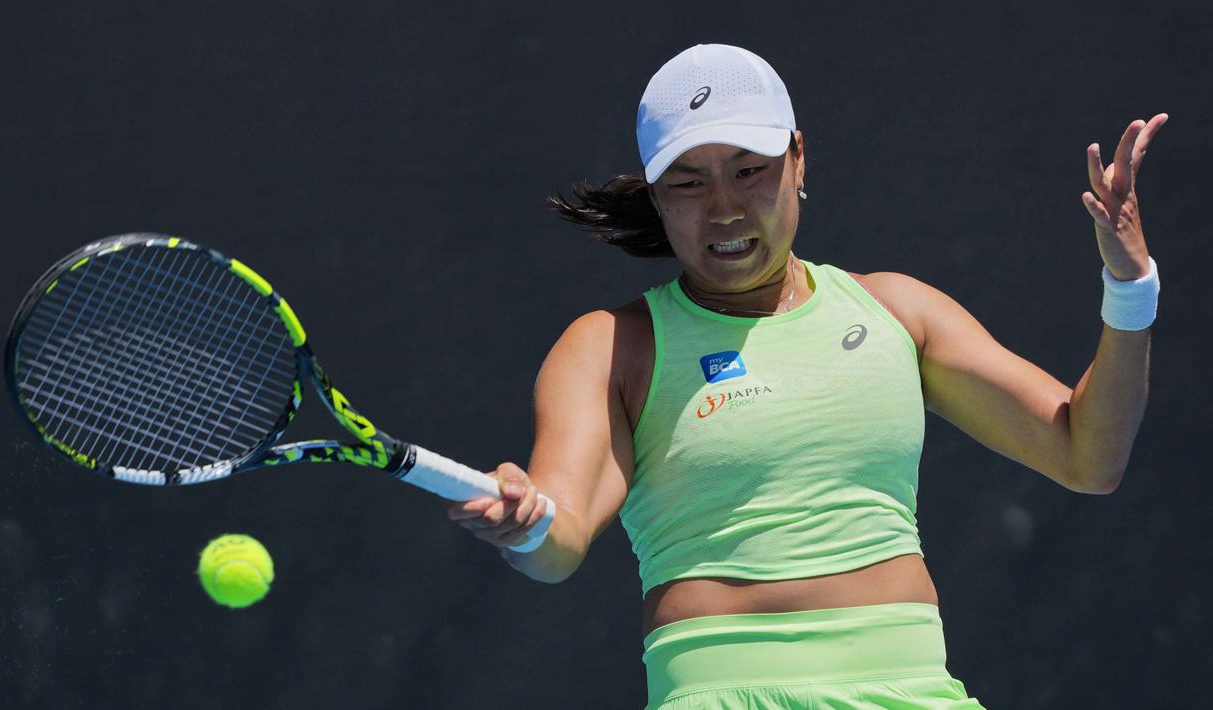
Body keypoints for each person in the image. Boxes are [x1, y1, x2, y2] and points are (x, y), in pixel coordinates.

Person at [445, 43, 1165, 709]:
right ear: (657, 197)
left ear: (798, 159)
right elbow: (559, 538)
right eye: (688, 182)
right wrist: (526, 526)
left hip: (910, 690)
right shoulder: (610, 346)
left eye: (748, 170)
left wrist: (1129, 288)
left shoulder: (899, 311)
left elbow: (1085, 456)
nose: (723, 207)